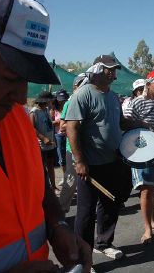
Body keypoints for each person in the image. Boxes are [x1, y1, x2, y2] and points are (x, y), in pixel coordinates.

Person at [0, 0, 91, 272]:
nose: (20, 96)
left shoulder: (11, 114)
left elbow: (35, 183)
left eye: (26, 79)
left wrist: (57, 225)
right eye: (8, 77)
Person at [66, 55, 133, 260]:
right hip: (90, 165)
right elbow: (72, 128)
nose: (112, 73)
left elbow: (120, 123)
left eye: (114, 69)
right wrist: (80, 161)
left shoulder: (113, 97)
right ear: (96, 69)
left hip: (112, 161)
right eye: (108, 69)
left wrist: (141, 125)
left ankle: (104, 243)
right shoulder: (83, 94)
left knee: (110, 204)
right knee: (86, 212)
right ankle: (83, 257)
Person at [124, 70, 154, 244]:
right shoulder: (136, 103)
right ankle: (147, 229)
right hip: (141, 153)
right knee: (145, 189)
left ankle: (152, 221)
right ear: (148, 84)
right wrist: (142, 125)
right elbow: (126, 124)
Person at [58, 74, 86, 214]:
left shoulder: (87, 100)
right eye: (81, 83)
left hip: (87, 148)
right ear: (75, 87)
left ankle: (85, 210)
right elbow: (62, 126)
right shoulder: (69, 103)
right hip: (73, 149)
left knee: (85, 182)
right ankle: (61, 210)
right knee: (70, 180)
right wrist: (76, 124)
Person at [30, 91, 58, 190]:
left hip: (50, 144)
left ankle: (53, 185)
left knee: (50, 165)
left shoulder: (46, 110)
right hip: (41, 145)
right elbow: (32, 128)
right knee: (41, 167)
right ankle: (43, 188)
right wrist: (43, 138)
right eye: (50, 100)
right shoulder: (34, 112)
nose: (51, 102)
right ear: (45, 101)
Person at [53, 89, 70, 181]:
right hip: (59, 135)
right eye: (60, 100)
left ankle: (69, 177)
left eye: (64, 100)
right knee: (62, 158)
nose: (62, 102)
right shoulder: (54, 109)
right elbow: (50, 122)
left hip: (68, 134)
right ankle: (65, 177)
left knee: (69, 157)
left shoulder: (69, 106)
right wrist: (58, 122)